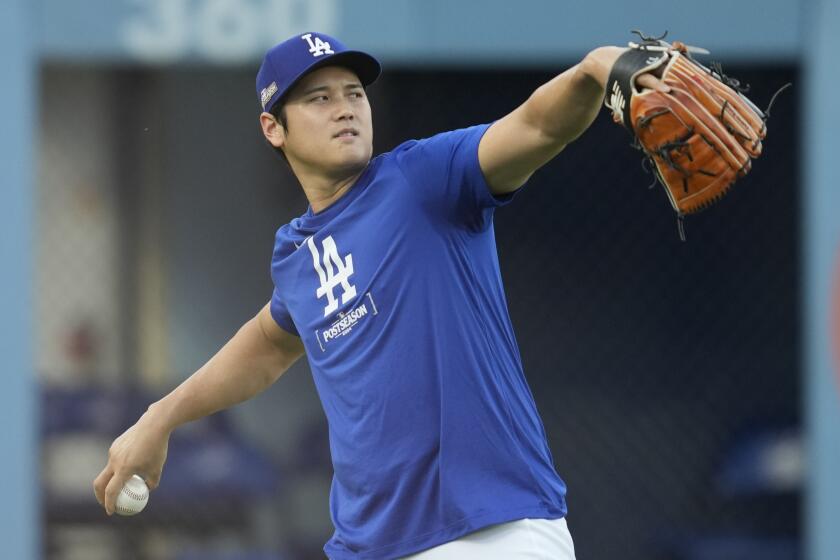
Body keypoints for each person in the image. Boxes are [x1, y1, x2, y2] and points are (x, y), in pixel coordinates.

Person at [94, 32, 668, 559]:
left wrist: (594, 70)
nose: (345, 106)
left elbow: (539, 127)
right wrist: (159, 419)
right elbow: (268, 344)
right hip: (371, 546)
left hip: (491, 531)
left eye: (353, 93)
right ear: (274, 128)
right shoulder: (296, 254)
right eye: (318, 98)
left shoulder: (423, 180)